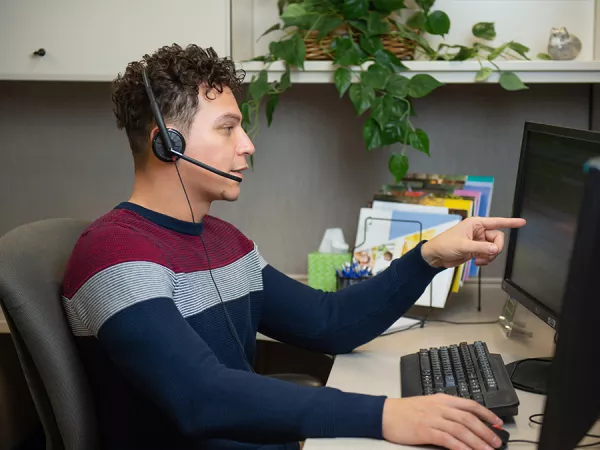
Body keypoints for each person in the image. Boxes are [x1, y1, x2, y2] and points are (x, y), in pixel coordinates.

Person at [61, 44, 526, 450]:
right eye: (227, 128)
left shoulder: (228, 244)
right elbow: (200, 397)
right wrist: (385, 415)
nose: (247, 146)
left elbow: (329, 324)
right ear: (168, 144)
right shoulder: (114, 253)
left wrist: (429, 257)